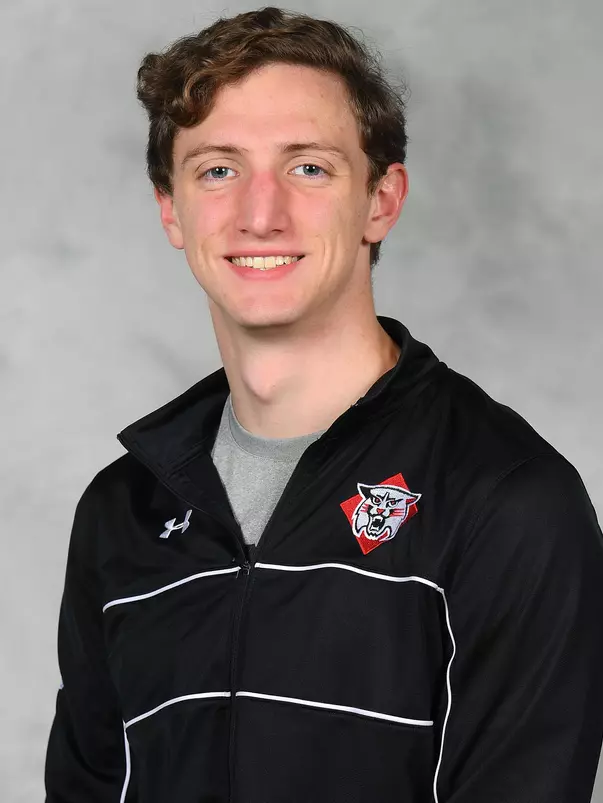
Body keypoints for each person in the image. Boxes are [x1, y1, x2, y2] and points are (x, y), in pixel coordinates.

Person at [44, 6, 603, 802]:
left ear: (381, 199)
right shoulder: (122, 510)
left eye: (307, 167)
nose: (259, 213)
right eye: (216, 169)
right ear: (170, 207)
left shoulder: (505, 500)